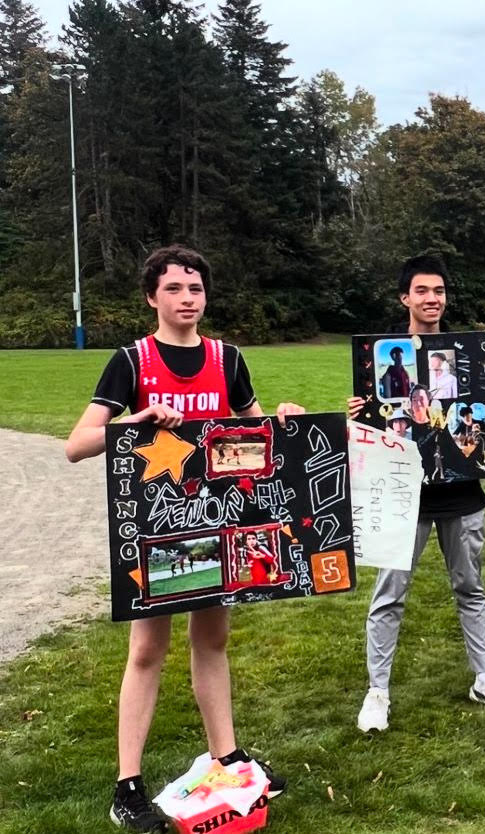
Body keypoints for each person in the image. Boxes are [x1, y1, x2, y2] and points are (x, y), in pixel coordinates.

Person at [65, 245, 302, 833]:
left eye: (194, 289)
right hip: (158, 532)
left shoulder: (228, 358)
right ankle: (128, 784)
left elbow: (251, 432)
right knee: (147, 651)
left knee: (213, 640)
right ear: (152, 297)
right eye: (173, 289)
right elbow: (77, 443)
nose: (187, 299)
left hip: (219, 521)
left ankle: (227, 756)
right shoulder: (132, 360)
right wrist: (132, 422)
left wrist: (283, 421)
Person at [347, 254, 485, 731]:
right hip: (403, 493)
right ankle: (377, 691)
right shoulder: (380, 357)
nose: (433, 299)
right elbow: (373, 424)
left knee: (470, 587)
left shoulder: (472, 357)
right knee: (390, 594)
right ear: (405, 297)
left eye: (440, 291)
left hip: (463, 494)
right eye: (423, 291)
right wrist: (360, 412)